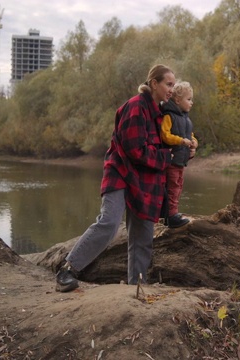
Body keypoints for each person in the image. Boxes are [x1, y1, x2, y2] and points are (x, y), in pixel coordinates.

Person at [55, 64, 176, 292]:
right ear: (154, 84)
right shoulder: (135, 107)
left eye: (174, 85)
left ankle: (136, 287)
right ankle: (67, 271)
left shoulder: (160, 114)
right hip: (120, 173)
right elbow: (135, 149)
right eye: (168, 84)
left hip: (144, 180)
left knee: (143, 233)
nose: (172, 89)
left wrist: (182, 150)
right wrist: (165, 156)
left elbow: (165, 145)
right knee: (109, 222)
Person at [160, 81, 198, 228]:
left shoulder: (185, 118)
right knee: (173, 186)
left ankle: (171, 214)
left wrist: (194, 142)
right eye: (188, 99)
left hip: (181, 160)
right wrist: (181, 141)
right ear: (177, 100)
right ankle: (171, 215)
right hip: (172, 159)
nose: (191, 102)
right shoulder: (169, 116)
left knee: (178, 186)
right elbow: (165, 135)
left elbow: (191, 135)